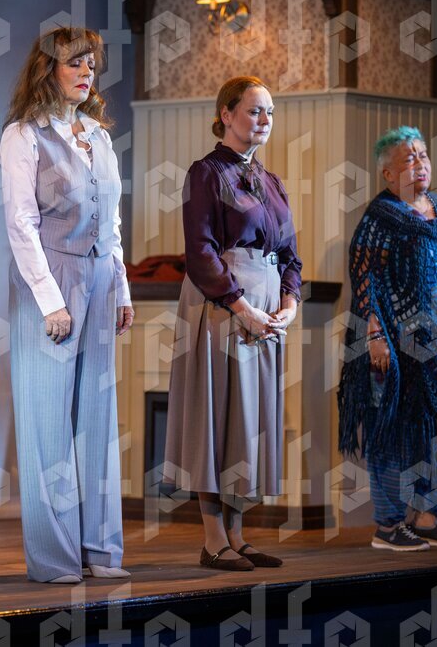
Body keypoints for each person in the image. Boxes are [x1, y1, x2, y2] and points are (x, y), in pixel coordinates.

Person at [0, 27, 133, 584]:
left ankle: (99, 549)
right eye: (75, 63)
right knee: (47, 420)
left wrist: (120, 286)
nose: (86, 73)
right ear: (47, 69)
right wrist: (50, 301)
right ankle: (54, 557)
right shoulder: (23, 135)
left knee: (97, 418)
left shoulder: (97, 136)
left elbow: (113, 220)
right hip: (50, 278)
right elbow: (20, 222)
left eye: (91, 65)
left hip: (99, 277)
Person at [164, 76, 302, 571]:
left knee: (248, 422)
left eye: (270, 112)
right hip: (221, 304)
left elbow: (290, 254)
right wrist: (242, 307)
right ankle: (213, 539)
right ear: (226, 114)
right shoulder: (206, 173)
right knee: (216, 419)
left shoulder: (272, 181)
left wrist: (290, 303)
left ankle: (238, 537)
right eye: (254, 110)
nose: (264, 120)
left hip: (266, 308)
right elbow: (199, 251)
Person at [337, 126, 437, 552]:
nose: (420, 163)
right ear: (388, 174)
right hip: (396, 347)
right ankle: (388, 526)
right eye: (409, 158)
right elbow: (365, 282)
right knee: (392, 433)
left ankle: (427, 515)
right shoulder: (380, 219)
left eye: (423, 155)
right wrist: (375, 336)